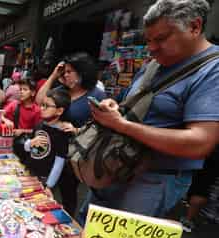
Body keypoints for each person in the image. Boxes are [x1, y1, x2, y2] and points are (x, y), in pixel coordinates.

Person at [77, 0, 219, 225]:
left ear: (194, 27)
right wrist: (116, 107)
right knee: (89, 228)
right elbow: (128, 101)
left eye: (161, 38)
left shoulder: (212, 70)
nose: (152, 48)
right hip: (116, 165)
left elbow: (200, 142)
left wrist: (122, 126)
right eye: (149, 40)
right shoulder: (154, 63)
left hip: (154, 178)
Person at [37, 52, 106, 216]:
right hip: (51, 148)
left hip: (73, 154)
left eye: (69, 72)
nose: (65, 75)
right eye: (64, 72)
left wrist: (76, 130)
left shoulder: (96, 95)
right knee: (43, 187)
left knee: (68, 192)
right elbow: (40, 101)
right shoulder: (61, 90)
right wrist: (54, 75)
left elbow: (101, 127)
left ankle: (66, 224)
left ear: (82, 72)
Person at [22, 89, 71, 206]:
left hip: (44, 178)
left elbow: (59, 161)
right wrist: (31, 143)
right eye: (42, 105)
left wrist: (49, 185)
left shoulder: (61, 132)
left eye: (47, 106)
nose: (42, 108)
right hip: (30, 171)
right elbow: (27, 148)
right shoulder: (39, 124)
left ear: (59, 111)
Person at [180, 147, 219, 232]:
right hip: (211, 156)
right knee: (202, 187)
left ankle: (187, 218)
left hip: (203, 154)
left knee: (198, 185)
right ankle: (188, 220)